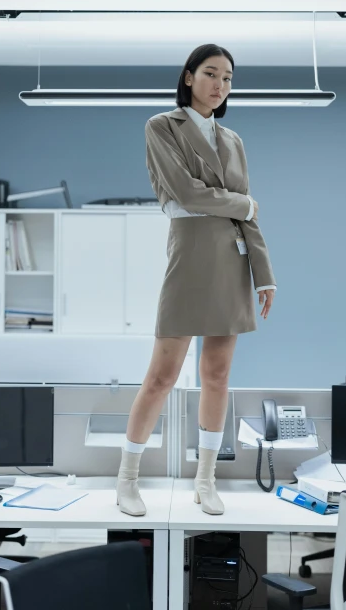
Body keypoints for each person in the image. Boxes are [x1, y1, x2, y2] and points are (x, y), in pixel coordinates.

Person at [116, 43, 276, 517]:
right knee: (161, 376)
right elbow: (186, 192)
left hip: (233, 261)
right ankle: (127, 479)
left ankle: (205, 480)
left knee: (217, 375)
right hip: (188, 259)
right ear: (188, 77)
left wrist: (265, 275)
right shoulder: (162, 127)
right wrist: (242, 203)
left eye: (227, 78)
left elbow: (240, 214)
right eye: (211, 74)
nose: (219, 85)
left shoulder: (234, 141)